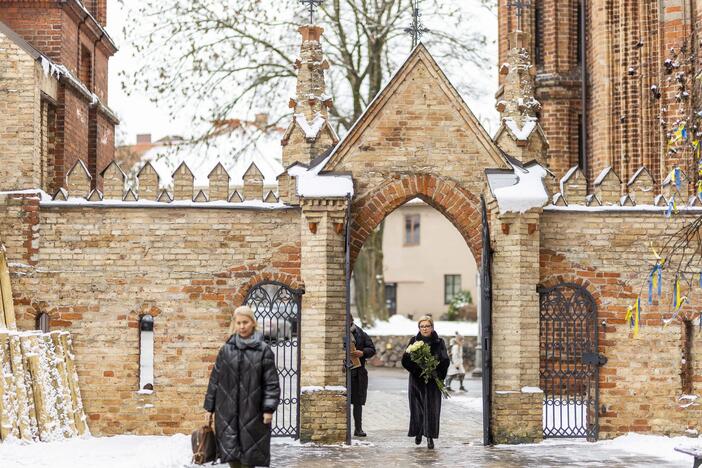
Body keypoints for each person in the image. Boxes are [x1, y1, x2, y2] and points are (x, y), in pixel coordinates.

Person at [204, 305, 280, 468]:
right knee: (232, 458)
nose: (242, 326)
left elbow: (271, 383)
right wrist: (209, 408)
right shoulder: (226, 350)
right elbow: (215, 380)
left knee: (248, 459)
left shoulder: (263, 350)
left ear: (253, 323)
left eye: (245, 322)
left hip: (253, 413)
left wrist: (268, 409)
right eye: (238, 323)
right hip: (227, 413)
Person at [401, 315, 450, 450]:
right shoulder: (413, 341)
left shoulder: (439, 342)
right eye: (422, 326)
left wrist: (437, 373)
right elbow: (405, 360)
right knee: (417, 409)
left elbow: (445, 360)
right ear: (419, 328)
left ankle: (429, 437)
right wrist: (419, 371)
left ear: (432, 327)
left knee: (432, 410)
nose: (425, 328)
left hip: (433, 381)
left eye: (427, 326)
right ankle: (418, 432)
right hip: (417, 381)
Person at [349, 317, 376, 437]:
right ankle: (342, 428)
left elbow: (372, 349)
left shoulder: (360, 333)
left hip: (358, 373)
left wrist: (362, 352)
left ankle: (358, 429)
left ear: (351, 320)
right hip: (343, 372)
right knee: (341, 401)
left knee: (357, 402)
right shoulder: (336, 332)